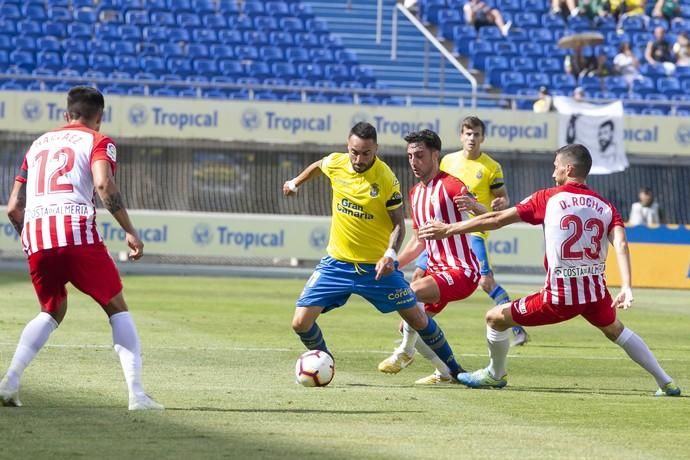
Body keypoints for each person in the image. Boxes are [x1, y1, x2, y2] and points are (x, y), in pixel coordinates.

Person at [419, 144, 681, 397]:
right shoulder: (605, 205)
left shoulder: (548, 198)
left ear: (568, 169)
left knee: (495, 318)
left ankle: (495, 375)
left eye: (555, 166)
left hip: (560, 296)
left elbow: (497, 220)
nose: (552, 172)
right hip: (594, 293)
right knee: (615, 329)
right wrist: (626, 286)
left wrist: (448, 229)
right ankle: (665, 381)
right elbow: (621, 243)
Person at [1, 86, 163, 410]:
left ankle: (9, 383)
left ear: (66, 114)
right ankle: (137, 395)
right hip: (74, 230)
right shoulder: (98, 141)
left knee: (52, 309)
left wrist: (29, 238)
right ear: (99, 118)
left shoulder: (36, 146)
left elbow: (13, 207)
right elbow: (103, 185)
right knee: (116, 307)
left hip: (37, 233)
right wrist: (130, 231)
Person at [283, 122, 468, 382]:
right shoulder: (337, 162)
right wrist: (295, 182)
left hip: (375, 269)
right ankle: (325, 361)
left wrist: (391, 254)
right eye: (354, 152)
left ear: (376, 149)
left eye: (366, 153)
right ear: (348, 147)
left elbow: (397, 225)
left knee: (416, 318)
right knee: (300, 323)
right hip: (336, 263)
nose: (358, 159)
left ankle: (455, 370)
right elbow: (319, 166)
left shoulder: (385, 178)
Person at [377, 130, 482, 385]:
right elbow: (419, 241)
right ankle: (444, 372)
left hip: (461, 270)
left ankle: (405, 352)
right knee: (409, 325)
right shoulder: (415, 193)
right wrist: (394, 262)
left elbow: (485, 217)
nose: (413, 161)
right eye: (410, 156)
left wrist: (476, 207)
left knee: (410, 293)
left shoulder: (452, 185)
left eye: (420, 155)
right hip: (437, 273)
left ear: (435, 155)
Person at [439, 116, 529, 346]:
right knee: (421, 275)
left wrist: (502, 202)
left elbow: (502, 196)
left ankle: (518, 328)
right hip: (446, 231)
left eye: (476, 134)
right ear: (461, 136)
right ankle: (415, 328)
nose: (472, 138)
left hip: (474, 232)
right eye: (468, 134)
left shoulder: (491, 167)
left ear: (482, 137)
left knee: (486, 282)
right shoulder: (447, 161)